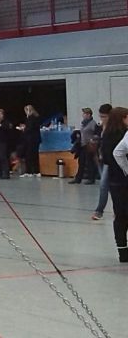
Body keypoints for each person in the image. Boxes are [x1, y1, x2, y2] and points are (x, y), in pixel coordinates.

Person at [100, 107, 128, 262]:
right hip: (123, 178)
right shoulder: (124, 135)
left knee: (120, 215)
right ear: (122, 118)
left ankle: (122, 250)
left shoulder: (107, 134)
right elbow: (118, 153)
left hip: (114, 179)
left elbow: (105, 158)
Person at [93, 103, 112, 220]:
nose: (102, 119)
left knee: (103, 185)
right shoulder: (100, 127)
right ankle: (119, 208)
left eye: (104, 116)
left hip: (110, 160)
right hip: (101, 158)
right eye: (100, 116)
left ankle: (99, 210)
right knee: (109, 186)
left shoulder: (114, 128)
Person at [70, 107, 98, 184]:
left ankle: (91, 178)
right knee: (81, 162)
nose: (83, 115)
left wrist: (93, 140)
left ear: (89, 114)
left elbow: (96, 133)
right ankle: (78, 178)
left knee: (90, 162)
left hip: (89, 145)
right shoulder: (83, 123)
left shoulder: (93, 123)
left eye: (84, 113)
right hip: (82, 145)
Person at [18, 104, 42, 177]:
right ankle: (36, 171)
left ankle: (29, 172)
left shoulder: (30, 118)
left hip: (30, 139)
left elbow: (30, 128)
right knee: (35, 155)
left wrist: (23, 129)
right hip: (36, 139)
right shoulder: (37, 117)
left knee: (28, 155)